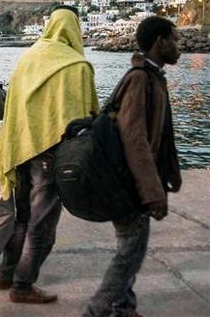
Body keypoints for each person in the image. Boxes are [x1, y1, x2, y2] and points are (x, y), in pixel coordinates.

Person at [0, 6, 99, 303]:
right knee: (43, 227)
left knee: (23, 220)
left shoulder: (28, 59)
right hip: (51, 157)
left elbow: (14, 107)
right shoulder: (77, 66)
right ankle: (23, 286)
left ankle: (5, 274)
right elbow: (88, 115)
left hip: (22, 150)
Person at [84, 16, 182, 317]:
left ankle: (123, 307)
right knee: (130, 251)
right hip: (128, 181)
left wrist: (171, 172)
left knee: (133, 248)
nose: (179, 46)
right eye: (175, 40)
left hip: (133, 179)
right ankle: (97, 310)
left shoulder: (152, 77)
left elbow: (161, 135)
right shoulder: (141, 79)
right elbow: (135, 138)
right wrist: (151, 190)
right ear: (159, 42)